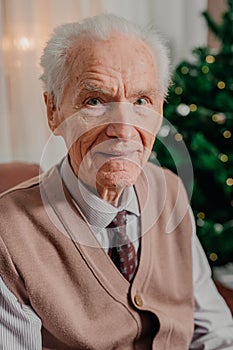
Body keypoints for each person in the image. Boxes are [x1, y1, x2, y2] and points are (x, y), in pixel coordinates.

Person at [0, 13, 233, 350]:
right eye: (94, 101)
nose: (123, 130)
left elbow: (214, 333)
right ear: (53, 110)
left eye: (142, 101)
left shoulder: (169, 190)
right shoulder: (8, 236)